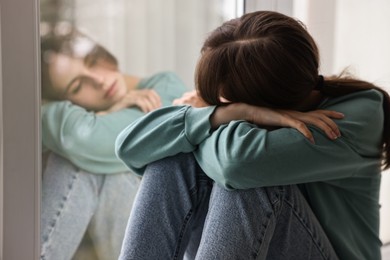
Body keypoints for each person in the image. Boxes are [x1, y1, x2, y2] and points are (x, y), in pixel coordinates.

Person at [115, 11, 390, 260]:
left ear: (266, 99)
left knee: (249, 179)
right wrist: (229, 114)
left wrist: (208, 121)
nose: (221, 106)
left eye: (224, 101)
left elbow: (236, 165)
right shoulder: (260, 106)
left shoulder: (352, 117)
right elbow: (129, 147)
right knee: (174, 158)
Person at [40, 28, 187, 260]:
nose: (98, 81)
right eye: (78, 87)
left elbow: (85, 138)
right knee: (79, 157)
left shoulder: (167, 90)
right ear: (67, 102)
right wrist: (108, 112)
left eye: (93, 62)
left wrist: (96, 120)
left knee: (79, 159)